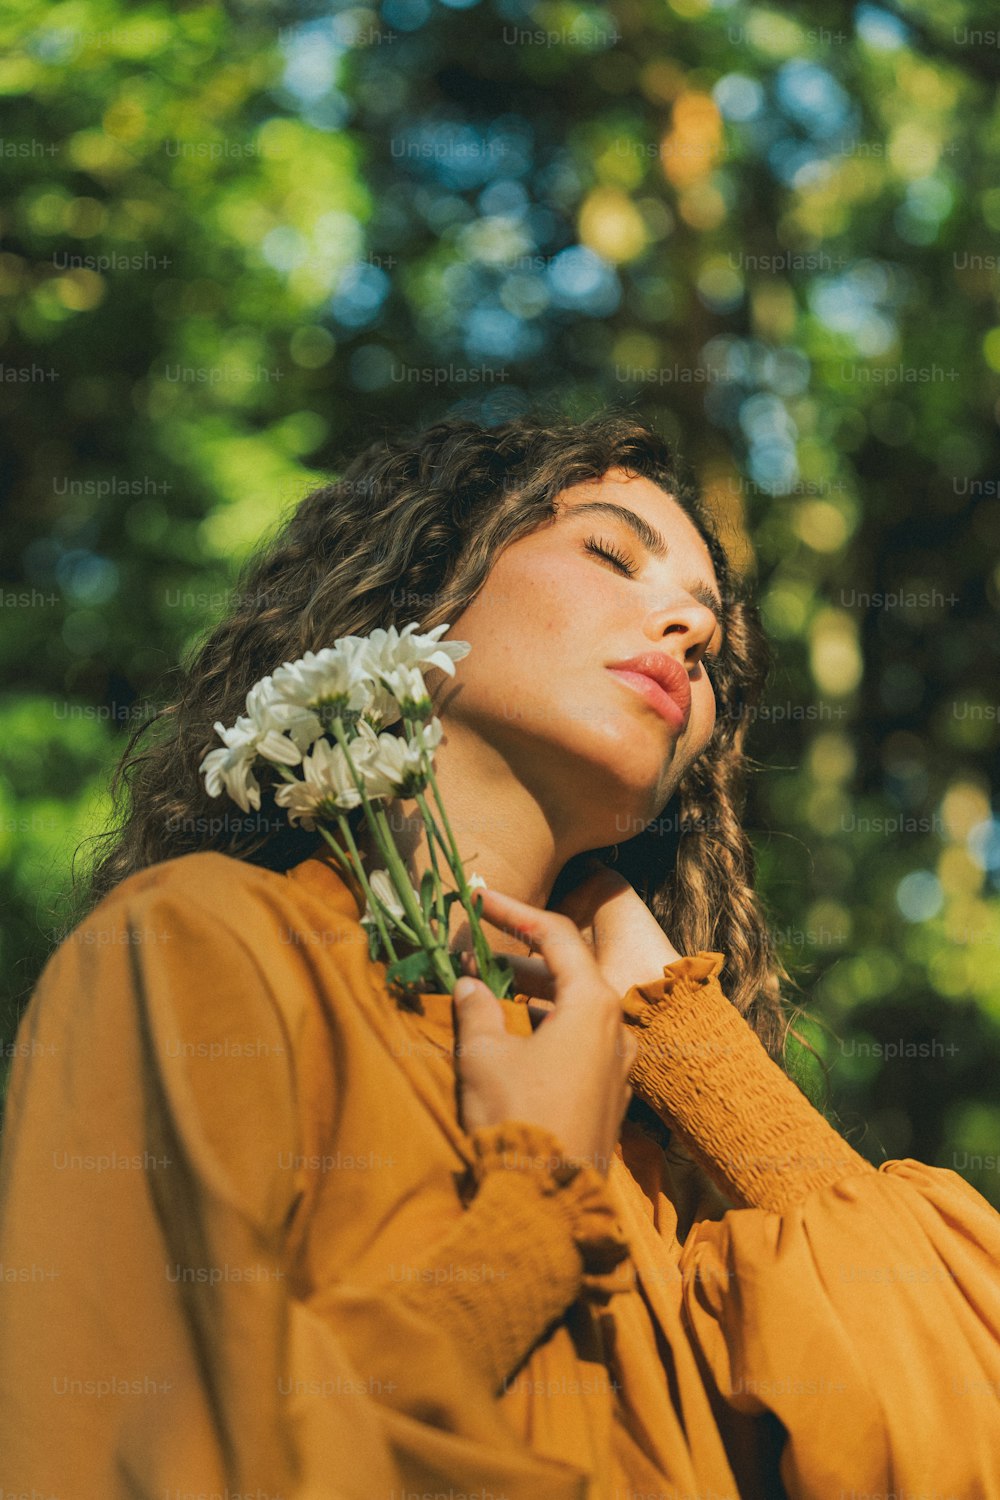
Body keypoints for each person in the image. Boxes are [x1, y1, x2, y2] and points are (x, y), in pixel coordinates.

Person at [1, 412, 999, 1500]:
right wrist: (537, 1200)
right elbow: (164, 1457)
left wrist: (698, 1054)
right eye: (609, 554)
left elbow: (959, 1439)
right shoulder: (206, 946)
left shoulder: (653, 1145)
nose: (687, 630)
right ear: (418, 599)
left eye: (712, 642)